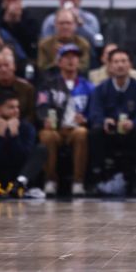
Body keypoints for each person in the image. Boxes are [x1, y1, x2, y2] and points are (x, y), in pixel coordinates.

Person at [88, 48, 136, 196]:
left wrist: (133, 123)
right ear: (109, 65)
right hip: (109, 132)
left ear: (130, 65)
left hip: (131, 132)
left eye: (124, 61)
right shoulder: (100, 89)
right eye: (116, 62)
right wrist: (104, 120)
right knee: (95, 131)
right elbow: (94, 113)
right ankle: (97, 179)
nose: (120, 65)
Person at [36, 45, 94, 196]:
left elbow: (94, 110)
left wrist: (86, 118)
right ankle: (50, 181)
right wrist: (45, 119)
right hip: (55, 128)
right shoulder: (49, 84)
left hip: (75, 128)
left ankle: (78, 182)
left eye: (74, 57)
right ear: (59, 62)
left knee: (82, 133)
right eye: (66, 57)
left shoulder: (88, 86)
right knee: (46, 136)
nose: (71, 60)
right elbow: (41, 104)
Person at [37, 9, 92, 74]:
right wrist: (56, 60)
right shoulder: (45, 44)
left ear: (75, 25)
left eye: (68, 23)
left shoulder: (83, 44)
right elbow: (41, 69)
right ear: (55, 24)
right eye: (61, 23)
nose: (65, 26)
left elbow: (84, 68)